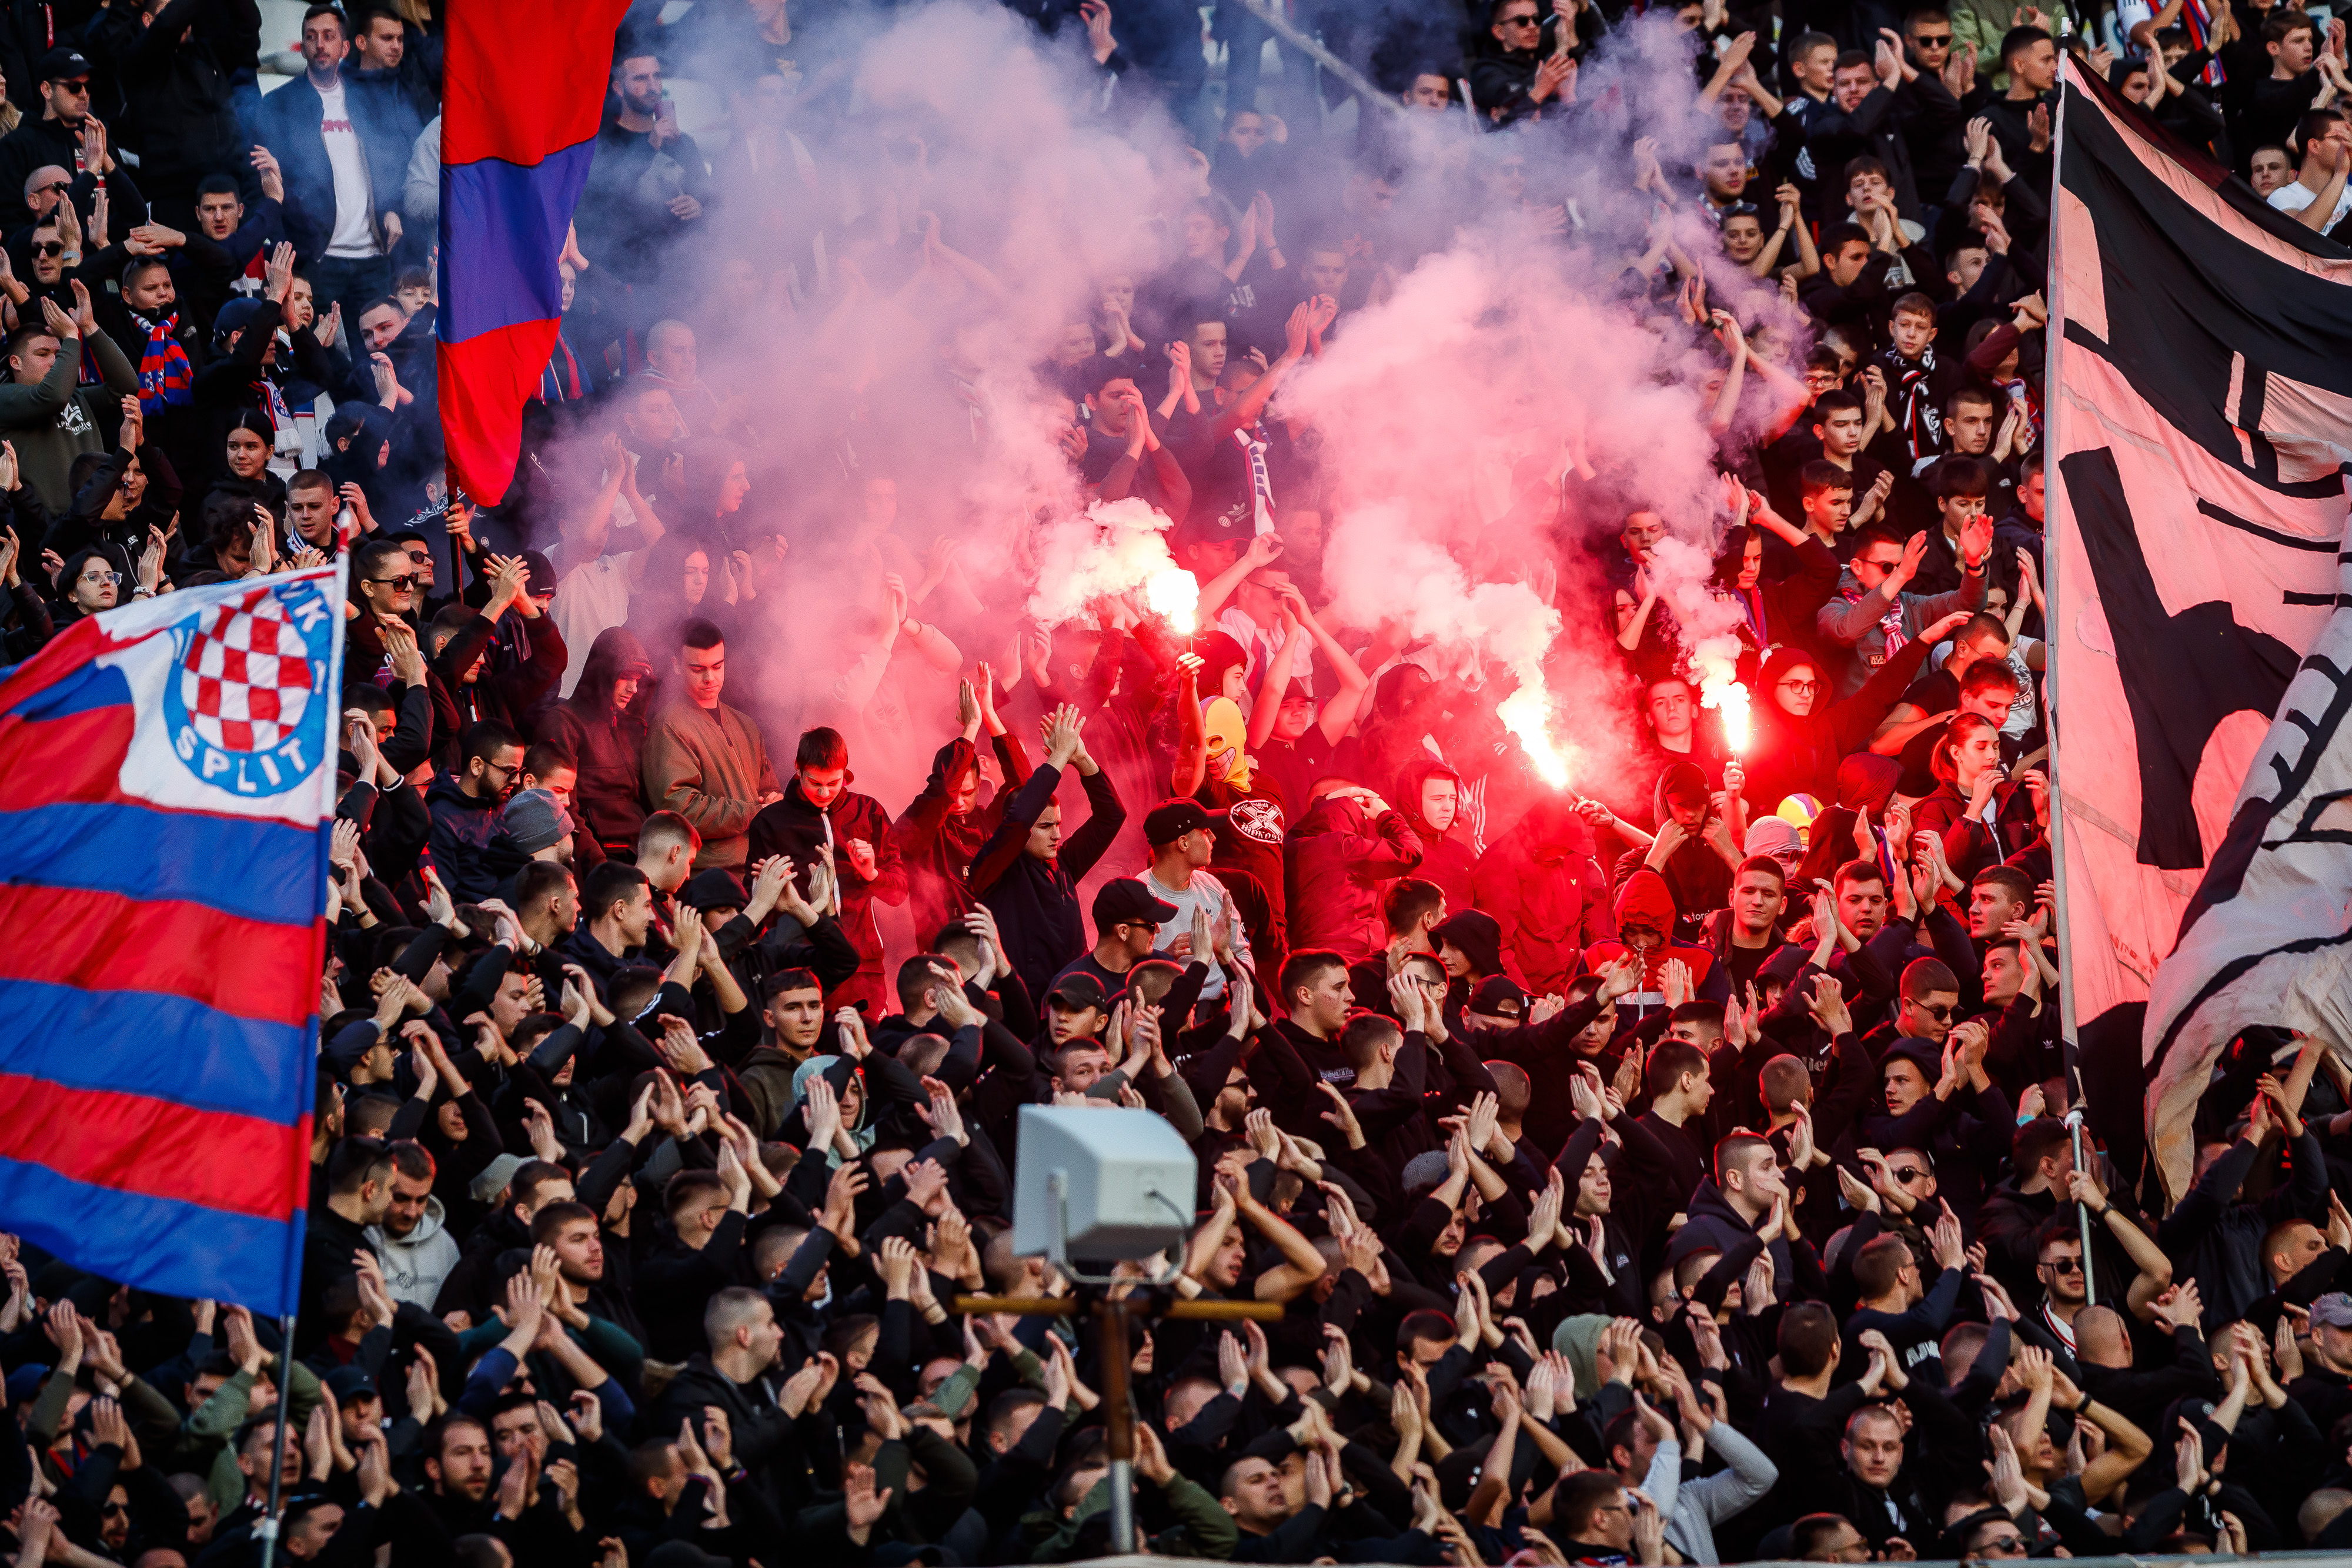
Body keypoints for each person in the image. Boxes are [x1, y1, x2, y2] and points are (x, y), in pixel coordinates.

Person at [642, 617, 781, 871]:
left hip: (758, 868)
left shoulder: (746, 725)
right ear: (676, 666)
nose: (710, 678)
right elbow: (680, 808)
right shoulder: (670, 727)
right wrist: (752, 813)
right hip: (707, 875)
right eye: (698, 669)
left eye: (718, 667)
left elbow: (768, 789)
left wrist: (775, 801)